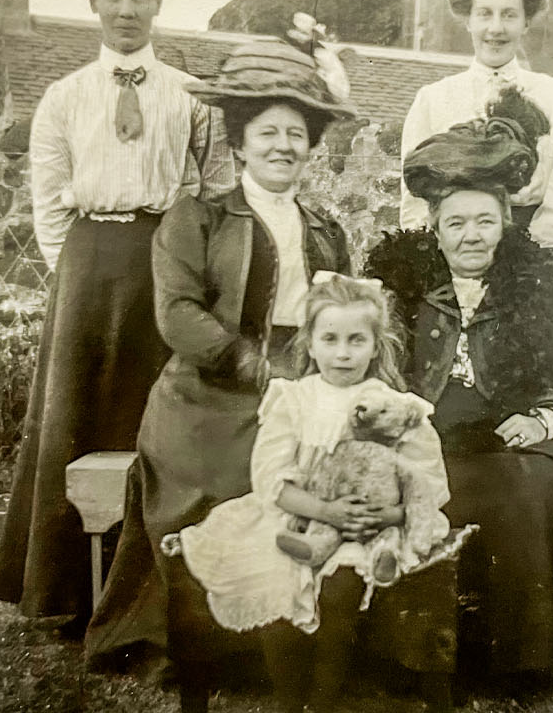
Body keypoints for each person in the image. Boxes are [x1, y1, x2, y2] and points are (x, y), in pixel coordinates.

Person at [82, 38, 354, 712]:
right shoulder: (197, 217)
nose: (283, 146)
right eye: (268, 133)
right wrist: (251, 365)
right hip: (205, 396)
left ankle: (284, 638)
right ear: (240, 142)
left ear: (310, 144)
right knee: (228, 488)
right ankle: (203, 645)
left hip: (296, 391)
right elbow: (177, 315)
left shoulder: (325, 227)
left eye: (296, 133)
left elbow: (340, 312)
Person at [0, 0, 212, 630]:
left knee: (154, 416)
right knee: (74, 419)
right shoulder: (63, 98)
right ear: (94, 2)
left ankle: (146, 593)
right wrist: (77, 276)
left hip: (162, 257)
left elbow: (207, 188)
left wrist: (180, 265)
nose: (126, 9)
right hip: (88, 264)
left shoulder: (189, 95)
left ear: (158, 4)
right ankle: (63, 593)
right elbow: (48, 201)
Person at [160, 273, 465, 713]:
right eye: (331, 339)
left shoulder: (394, 406)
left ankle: (323, 701)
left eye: (357, 340)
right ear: (311, 343)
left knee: (340, 588)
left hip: (367, 529)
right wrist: (324, 509)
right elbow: (271, 479)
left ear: (376, 346)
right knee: (274, 574)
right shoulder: (292, 399)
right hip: (296, 515)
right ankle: (288, 702)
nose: (343, 353)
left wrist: (388, 517)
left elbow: (425, 479)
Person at [367, 106, 553, 689]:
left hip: (510, 439)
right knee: (407, 487)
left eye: (485, 222)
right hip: (428, 437)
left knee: (524, 492)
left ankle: (517, 664)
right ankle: (414, 661)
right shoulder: (406, 288)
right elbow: (380, 372)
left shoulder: (534, 286)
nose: (472, 236)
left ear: (504, 225)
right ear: (435, 229)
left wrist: (542, 420)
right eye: (457, 223)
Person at [400, 0, 553, 254]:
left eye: (509, 15)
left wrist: (528, 254)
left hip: (531, 253)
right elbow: (414, 200)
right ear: (468, 20)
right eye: (485, 14)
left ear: (526, 22)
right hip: (449, 253)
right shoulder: (432, 99)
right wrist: (434, 261)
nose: (496, 28)